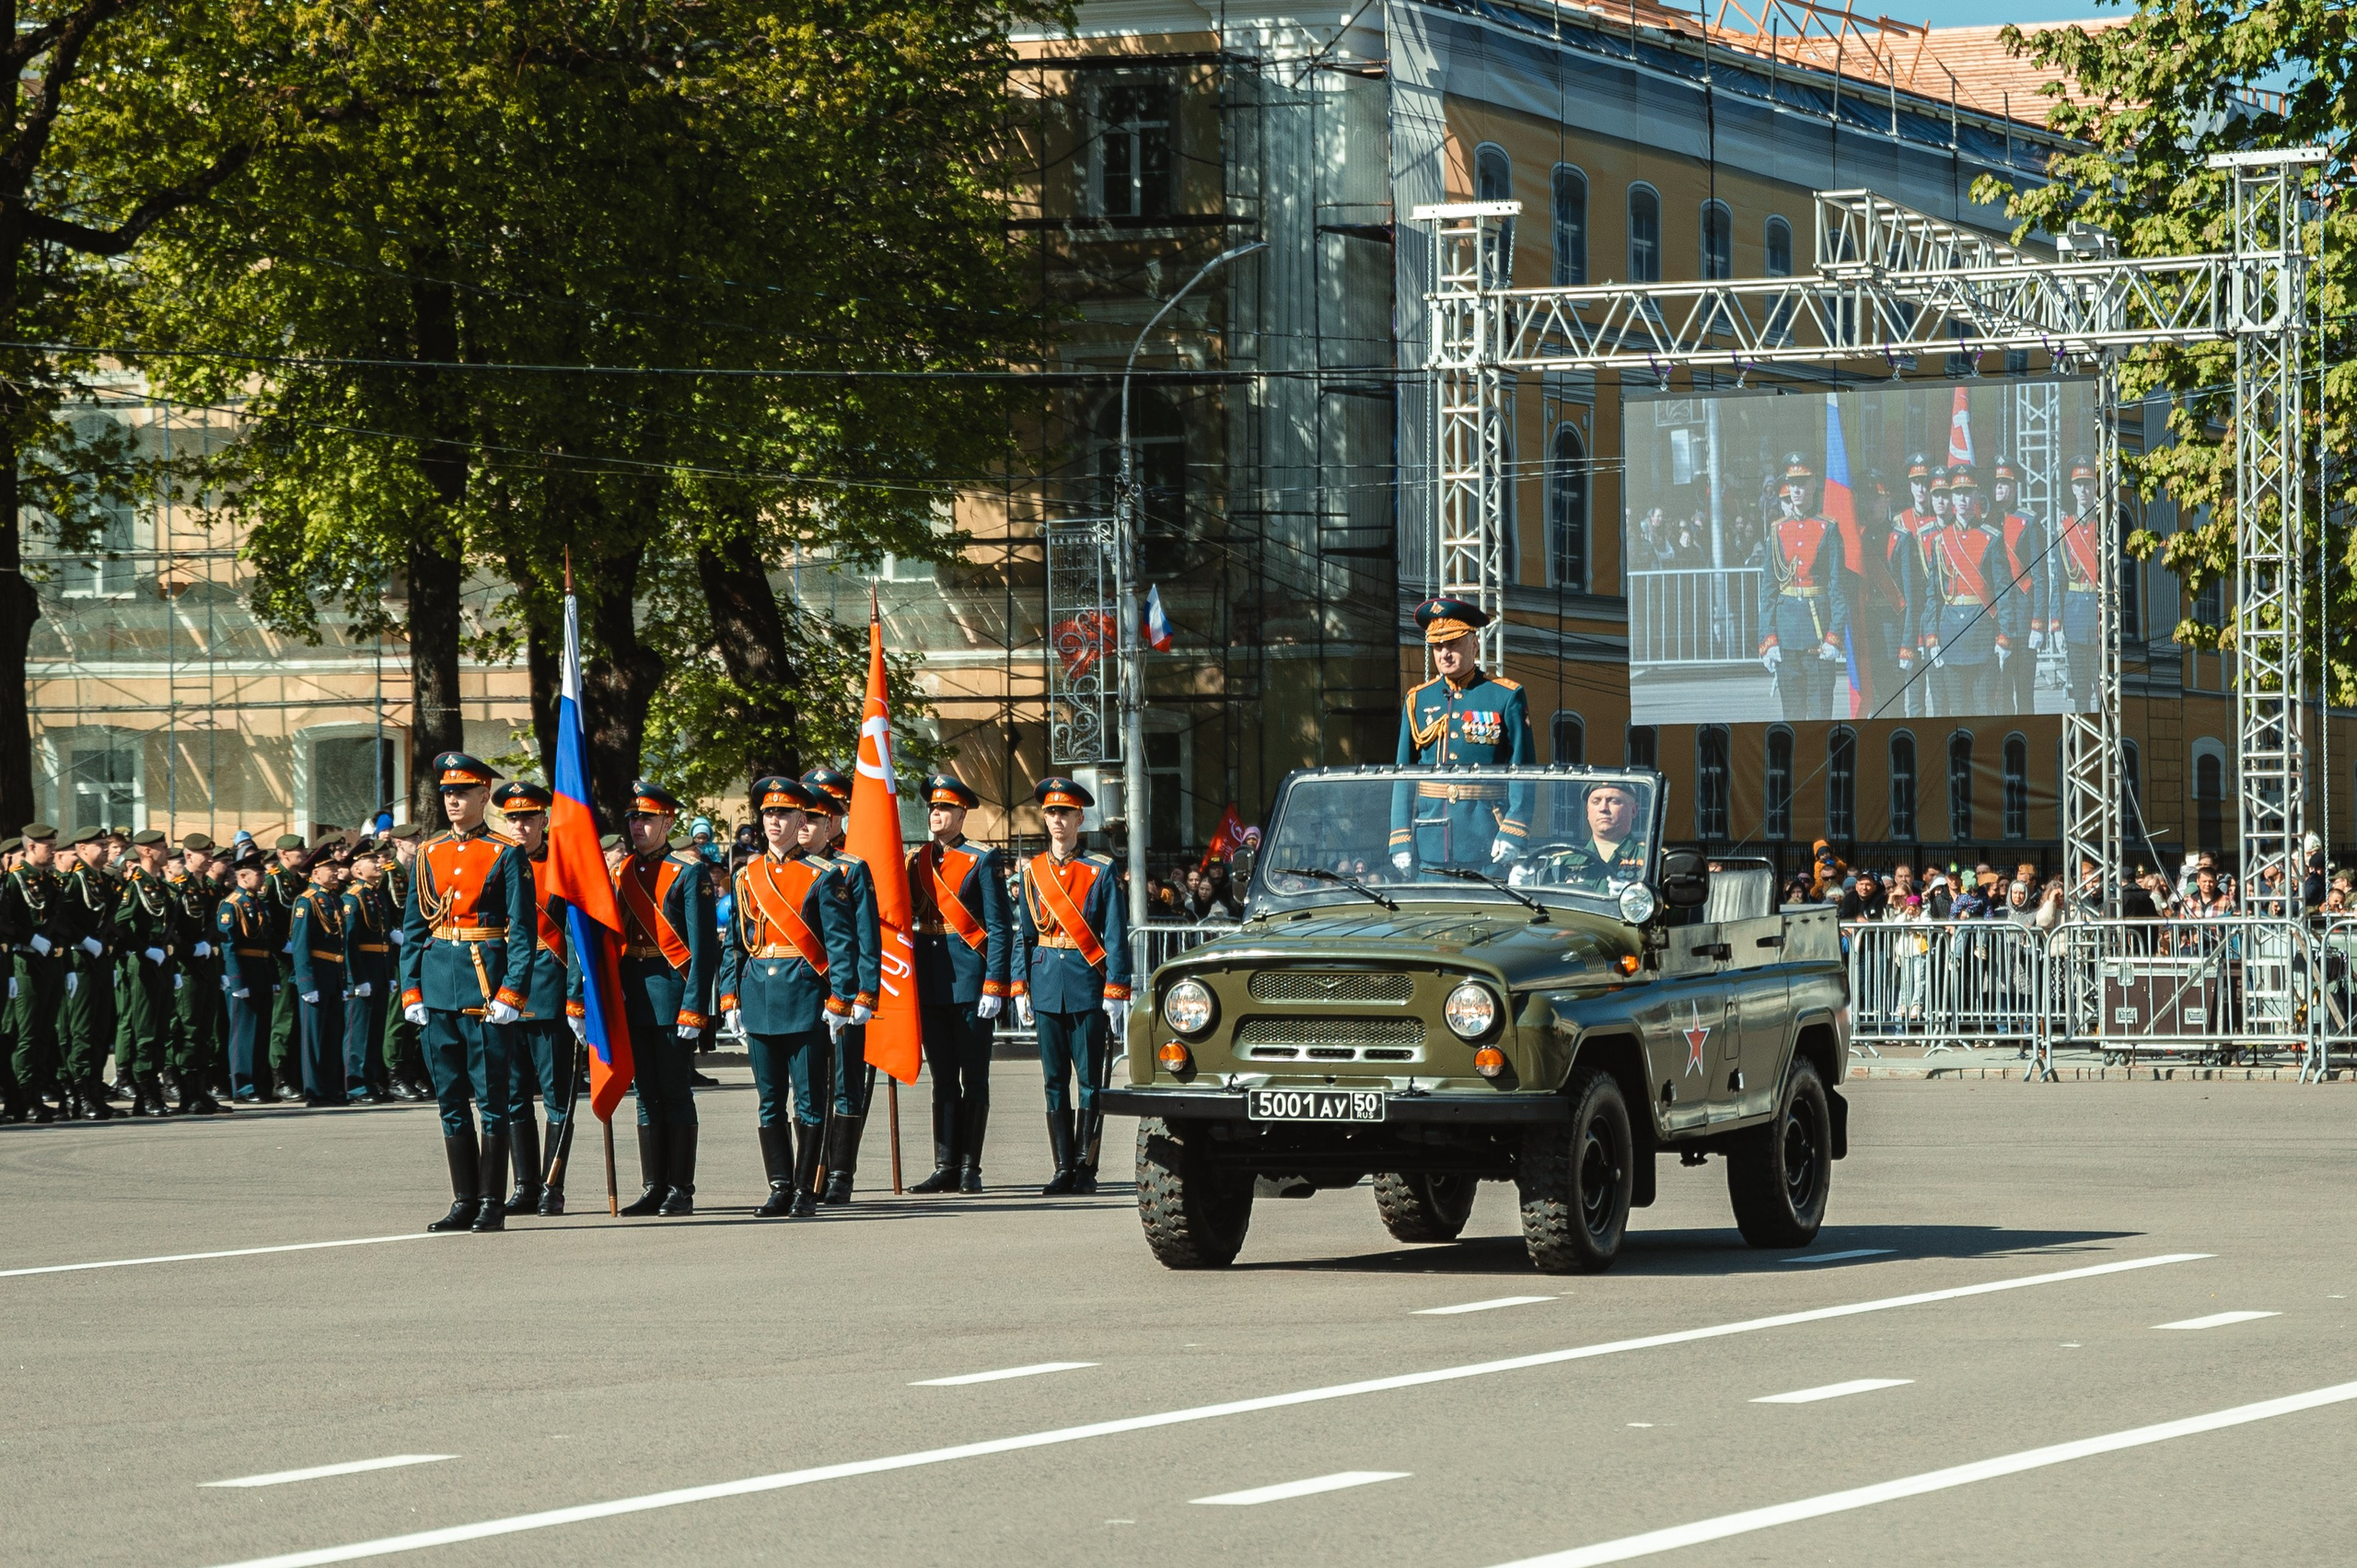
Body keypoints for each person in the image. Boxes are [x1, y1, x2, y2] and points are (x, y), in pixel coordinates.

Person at [400, 752, 536, 1234]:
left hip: (485, 986)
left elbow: (522, 931)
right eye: (447, 793)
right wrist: (411, 989)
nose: (453, 800)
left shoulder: (505, 852)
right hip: (438, 985)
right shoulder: (430, 854)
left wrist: (512, 992)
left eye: (462, 793)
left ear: (483, 797)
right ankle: (463, 1199)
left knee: (491, 1098)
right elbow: (415, 928)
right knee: (450, 1098)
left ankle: (491, 1202)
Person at [718, 776, 856, 1217]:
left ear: (801, 819)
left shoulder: (823, 875)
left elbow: (840, 944)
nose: (774, 820)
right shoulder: (746, 877)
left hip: (804, 995)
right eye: (768, 813)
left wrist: (840, 999)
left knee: (811, 1098)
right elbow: (736, 946)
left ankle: (804, 1187)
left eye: (783, 813)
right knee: (769, 1098)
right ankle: (779, 1186)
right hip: (758, 994)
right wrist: (729, 996)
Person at [600, 778, 715, 1216]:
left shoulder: (688, 872)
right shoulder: (622, 872)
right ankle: (653, 1186)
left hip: (671, 990)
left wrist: (694, 1005)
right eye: (633, 818)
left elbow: (703, 948)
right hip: (633, 991)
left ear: (667, 822)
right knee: (645, 1093)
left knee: (674, 1091)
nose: (638, 826)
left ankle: (680, 1188)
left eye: (647, 818)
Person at [1011, 777, 1130, 1195]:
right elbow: (1023, 935)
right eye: (1051, 812)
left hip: (1086, 983)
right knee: (1053, 1079)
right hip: (1045, 982)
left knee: (1090, 1080)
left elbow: (1115, 934)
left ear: (1080, 818)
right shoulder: (1032, 874)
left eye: (1065, 812)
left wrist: (1116, 989)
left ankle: (1086, 1165)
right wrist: (1020, 984)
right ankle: (1062, 1165)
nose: (1057, 820)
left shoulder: (1099, 869)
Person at [907, 772, 1011, 1195]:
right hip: (931, 981)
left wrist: (995, 984)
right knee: (943, 1077)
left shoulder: (981, 859)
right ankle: (944, 1164)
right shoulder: (916, 861)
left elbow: (1000, 927)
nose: (936, 813)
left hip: (970, 979)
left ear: (962, 813)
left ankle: (971, 1166)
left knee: (975, 1077)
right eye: (933, 807)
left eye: (945, 807)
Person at [1388, 597, 1535, 874]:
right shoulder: (1417, 699)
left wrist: (1515, 831)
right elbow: (1402, 775)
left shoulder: (1505, 696)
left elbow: (1523, 771)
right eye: (1437, 646)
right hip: (1429, 843)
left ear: (1474, 643)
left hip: (1488, 841)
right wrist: (1400, 838)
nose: (1444, 653)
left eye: (1453, 643)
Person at [489, 781, 576, 1216]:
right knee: (512, 1094)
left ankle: (551, 1185)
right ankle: (524, 1185)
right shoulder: (495, 862)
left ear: (544, 819)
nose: (520, 825)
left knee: (557, 1093)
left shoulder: (562, 868)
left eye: (528, 817)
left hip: (548, 987)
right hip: (503, 992)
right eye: (513, 817)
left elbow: (579, 940)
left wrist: (576, 996)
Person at [800, 765, 880, 1203]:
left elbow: (868, 937)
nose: (807, 824)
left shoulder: (850, 869)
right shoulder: (790, 870)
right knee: (809, 1085)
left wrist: (865, 992)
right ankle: (809, 1169)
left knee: (847, 1081)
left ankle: (840, 1174)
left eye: (815, 816)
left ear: (833, 821)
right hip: (802, 994)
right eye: (803, 815)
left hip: (843, 995)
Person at [1756, 454, 1849, 722]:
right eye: (1792, 483)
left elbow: (1837, 587)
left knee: (1820, 717)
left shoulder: (1827, 528)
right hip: (1786, 636)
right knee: (1792, 717)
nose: (1796, 489)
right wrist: (1768, 638)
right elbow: (1768, 591)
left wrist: (1835, 635)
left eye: (1802, 482)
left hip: (1817, 633)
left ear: (1814, 484)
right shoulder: (1777, 530)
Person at [112, 829, 181, 1118]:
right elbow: (119, 924)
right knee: (145, 1032)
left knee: (161, 1028)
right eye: (162, 847)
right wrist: (141, 949)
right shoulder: (135, 885)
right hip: (143, 964)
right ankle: (147, 1093)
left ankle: (149, 1095)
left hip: (162, 962)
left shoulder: (160, 885)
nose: (167, 852)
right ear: (148, 852)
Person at [1927, 469, 2005, 718]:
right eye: (1956, 493)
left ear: (1977, 496)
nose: (1961, 499)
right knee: (1957, 712)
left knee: (1983, 711)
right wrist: (1931, 638)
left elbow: (2004, 592)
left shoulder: (1991, 538)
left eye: (1967, 492)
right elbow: (1933, 596)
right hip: (1950, 635)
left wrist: (2004, 637)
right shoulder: (1940, 541)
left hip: (1982, 635)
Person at [55, 827, 121, 1120]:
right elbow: (61, 919)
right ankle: (79, 1094)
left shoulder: (102, 880)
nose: (106, 849)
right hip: (80, 961)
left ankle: (94, 1090)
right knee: (80, 1030)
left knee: (99, 1029)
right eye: (100, 845)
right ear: (81, 850)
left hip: (99, 960)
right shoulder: (73, 881)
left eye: (107, 844)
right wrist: (82, 939)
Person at [168, 835, 230, 1112]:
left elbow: (212, 927)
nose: (208, 858)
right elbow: (171, 929)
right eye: (202, 854)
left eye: (210, 853)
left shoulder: (209, 888)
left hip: (207, 967)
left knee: (206, 1031)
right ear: (187, 856)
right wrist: (190, 949)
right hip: (188, 967)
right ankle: (187, 1092)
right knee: (189, 1030)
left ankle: (201, 1090)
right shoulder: (178, 887)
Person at [216, 843, 276, 1102]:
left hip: (261, 971)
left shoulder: (258, 903)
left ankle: (261, 1084)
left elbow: (267, 944)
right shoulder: (232, 905)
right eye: (258, 873)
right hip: (244, 973)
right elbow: (228, 945)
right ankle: (243, 1086)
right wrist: (235, 980)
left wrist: (273, 977)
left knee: (261, 1031)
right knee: (244, 1033)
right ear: (242, 876)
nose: (262, 878)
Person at [289, 843, 348, 1107]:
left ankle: (332, 1087)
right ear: (315, 874)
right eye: (329, 869)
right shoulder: (307, 901)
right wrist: (306, 982)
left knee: (333, 1034)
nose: (335, 873)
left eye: (335, 868)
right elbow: (300, 945)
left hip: (334, 973)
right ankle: (315, 1090)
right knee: (314, 1038)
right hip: (316, 974)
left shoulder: (334, 899)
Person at [1988, 457, 2048, 712]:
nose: (2000, 488)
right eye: (1997, 483)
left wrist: (2039, 623)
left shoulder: (2029, 522)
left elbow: (2041, 576)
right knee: (2000, 697)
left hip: (2023, 620)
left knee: (2024, 696)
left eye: (2006, 483)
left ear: (2015, 487)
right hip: (1996, 619)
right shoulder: (1986, 523)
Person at [377, 823, 431, 1100]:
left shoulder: (420, 870)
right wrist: (393, 935)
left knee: (419, 1013)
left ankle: (414, 1073)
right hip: (399, 951)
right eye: (413, 839)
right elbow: (382, 912)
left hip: (420, 947)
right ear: (398, 843)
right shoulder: (389, 875)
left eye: (419, 837)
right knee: (399, 1014)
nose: (418, 841)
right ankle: (395, 1074)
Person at [341, 842, 396, 1105]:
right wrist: (355, 979)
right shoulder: (353, 897)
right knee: (358, 1032)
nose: (378, 864)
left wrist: (390, 974)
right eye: (371, 860)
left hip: (379, 970)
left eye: (378, 859)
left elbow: (384, 938)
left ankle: (371, 1081)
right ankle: (355, 1084)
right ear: (356, 869)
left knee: (375, 1031)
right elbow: (349, 943)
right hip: (363, 971)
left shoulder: (377, 895)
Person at [261, 831, 308, 1101]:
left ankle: (292, 1073)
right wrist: (282, 944)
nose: (301, 853)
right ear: (282, 854)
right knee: (284, 1018)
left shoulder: (296, 881)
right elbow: (265, 921)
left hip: (296, 957)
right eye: (296, 850)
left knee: (295, 1017)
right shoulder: (272, 882)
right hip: (282, 959)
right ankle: (279, 1077)